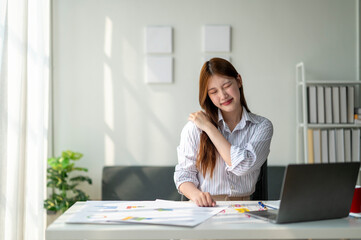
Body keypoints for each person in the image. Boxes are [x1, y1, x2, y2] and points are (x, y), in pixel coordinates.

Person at [174, 58, 273, 207]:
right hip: (204, 208)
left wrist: (209, 128)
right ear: (208, 96)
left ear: (238, 80)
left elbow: (242, 166)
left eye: (227, 86)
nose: (223, 95)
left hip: (245, 209)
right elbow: (183, 175)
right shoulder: (194, 128)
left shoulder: (261, 126)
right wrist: (197, 195)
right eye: (213, 92)